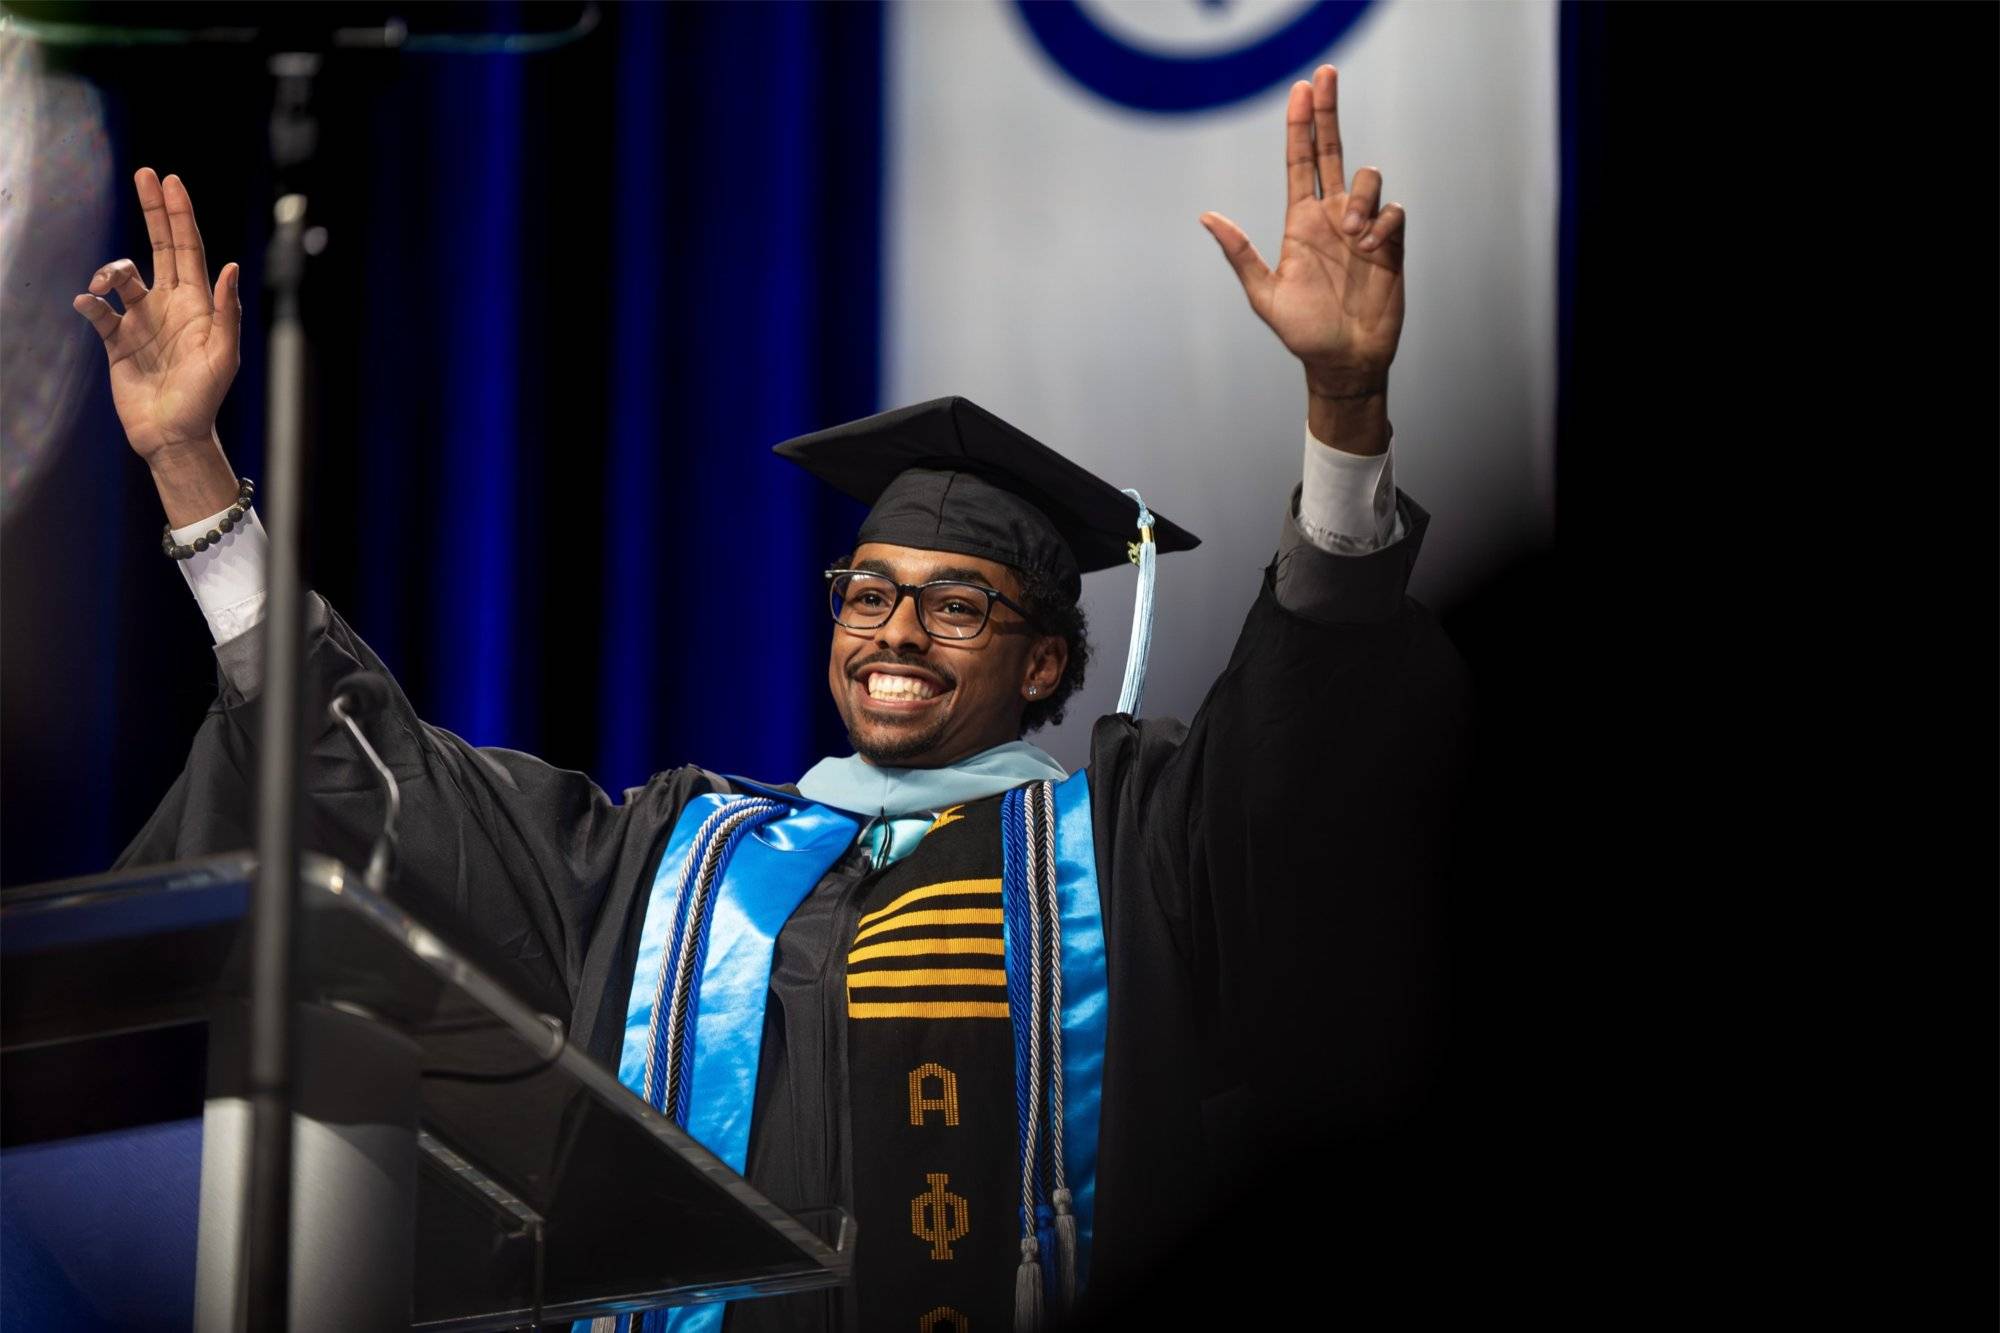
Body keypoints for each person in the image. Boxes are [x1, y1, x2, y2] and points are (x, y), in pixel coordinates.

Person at [84, 66, 1470, 1331]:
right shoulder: (671, 858)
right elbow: (372, 779)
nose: (897, 631)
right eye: (868, 591)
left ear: (1047, 660)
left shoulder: (1133, 836)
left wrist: (1345, 407)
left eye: (957, 601)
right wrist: (195, 471)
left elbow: (1314, 749)